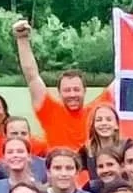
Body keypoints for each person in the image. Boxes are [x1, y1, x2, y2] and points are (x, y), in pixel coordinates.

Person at [15, 18, 105, 155]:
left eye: (76, 89)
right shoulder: (49, 111)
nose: (72, 94)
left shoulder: (99, 113)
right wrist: (22, 39)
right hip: (58, 173)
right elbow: (32, 76)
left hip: (91, 175)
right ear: (59, 93)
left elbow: (126, 78)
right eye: (67, 90)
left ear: (85, 91)